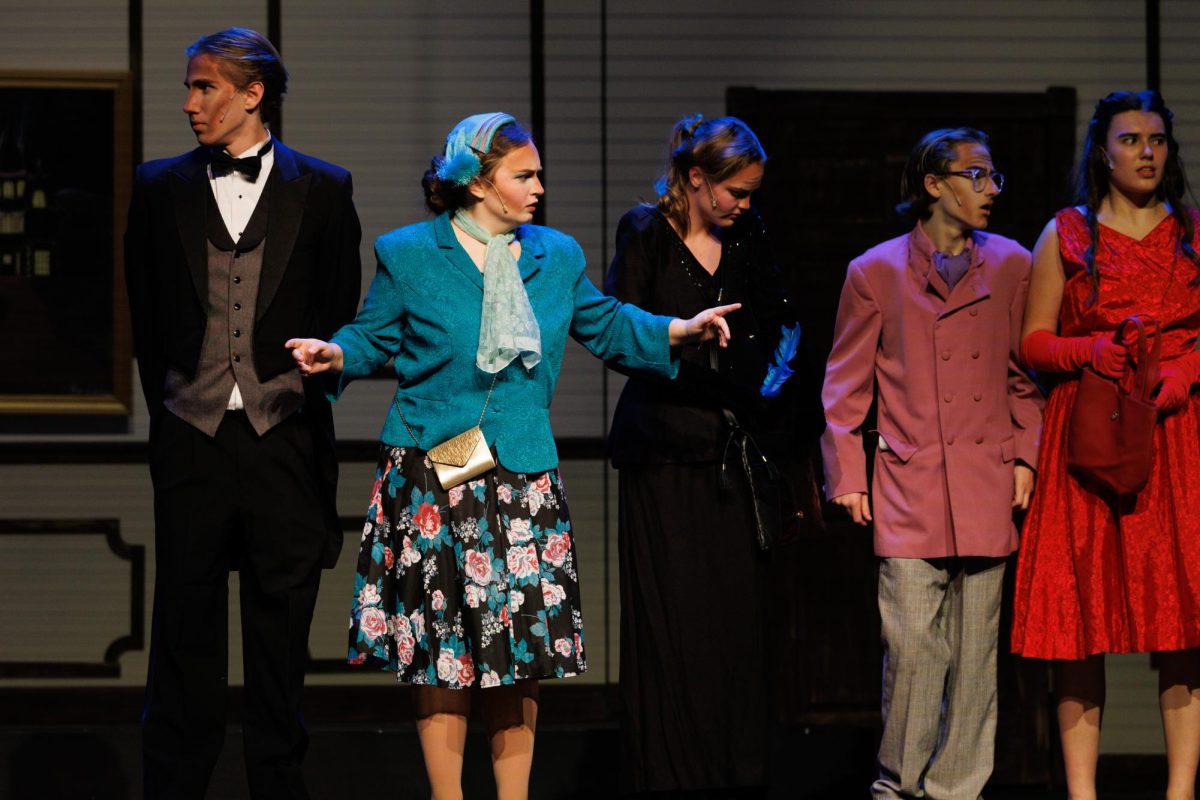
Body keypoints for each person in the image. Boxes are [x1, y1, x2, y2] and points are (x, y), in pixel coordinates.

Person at [286, 112, 739, 800]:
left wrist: (679, 329)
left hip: (521, 470)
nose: (539, 187)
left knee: (518, 646)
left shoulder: (554, 257)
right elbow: (372, 334)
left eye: (537, 174)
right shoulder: (409, 252)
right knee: (445, 648)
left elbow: (605, 322)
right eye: (523, 175)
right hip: (437, 463)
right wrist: (339, 353)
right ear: (476, 181)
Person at [124, 28, 362, 799]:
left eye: (205, 87)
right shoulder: (158, 187)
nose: (190, 103)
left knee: (278, 638)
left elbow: (338, 312)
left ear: (252, 93)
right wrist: (175, 414)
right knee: (183, 638)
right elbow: (148, 317)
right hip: (192, 439)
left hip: (283, 439)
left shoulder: (325, 190)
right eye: (189, 88)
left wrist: (296, 390)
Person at [603, 114, 823, 797]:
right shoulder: (644, 232)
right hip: (664, 453)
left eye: (754, 194)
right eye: (736, 192)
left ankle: (737, 777)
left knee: (735, 629)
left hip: (732, 451)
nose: (745, 206)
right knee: (675, 625)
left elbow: (785, 328)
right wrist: (707, 370)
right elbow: (623, 333)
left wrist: (760, 391)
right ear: (696, 179)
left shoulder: (749, 237)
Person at [821, 127, 1043, 799]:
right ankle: (898, 786)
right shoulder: (877, 271)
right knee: (916, 652)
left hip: (986, 481)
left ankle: (958, 791)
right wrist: (848, 478)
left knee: (975, 659)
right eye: (977, 176)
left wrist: (1026, 457)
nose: (991, 190)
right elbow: (845, 387)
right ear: (934, 184)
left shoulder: (1011, 264)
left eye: (995, 177)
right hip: (909, 486)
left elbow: (1023, 377)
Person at [1011, 89, 1200, 799]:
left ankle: (1180, 792)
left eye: (1157, 139)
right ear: (1101, 151)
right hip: (1089, 433)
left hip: (1176, 438)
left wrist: (1186, 370)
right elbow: (1031, 341)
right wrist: (1087, 349)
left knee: (1184, 619)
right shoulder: (1067, 234)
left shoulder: (1192, 234)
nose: (1147, 151)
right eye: (1130, 139)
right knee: (1078, 617)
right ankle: (1082, 794)